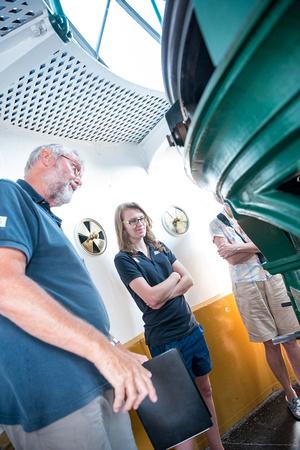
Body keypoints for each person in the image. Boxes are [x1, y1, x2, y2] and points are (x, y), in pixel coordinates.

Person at [0, 144, 157, 450]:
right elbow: (5, 285)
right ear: (46, 157)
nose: (80, 180)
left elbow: (68, 303)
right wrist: (103, 351)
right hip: (55, 394)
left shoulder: (51, 222)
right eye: (75, 168)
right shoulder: (9, 195)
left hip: (100, 375)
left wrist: (114, 347)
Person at [114, 202, 224, 450]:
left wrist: (164, 291)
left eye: (141, 218)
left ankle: (219, 448)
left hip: (192, 330)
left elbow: (189, 280)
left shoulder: (159, 247)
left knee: (205, 390)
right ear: (122, 227)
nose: (138, 223)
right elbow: (152, 298)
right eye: (131, 220)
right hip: (165, 340)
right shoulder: (123, 259)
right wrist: (174, 277)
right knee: (181, 407)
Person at [209, 198, 300, 420]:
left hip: (274, 277)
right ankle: (290, 395)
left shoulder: (256, 215)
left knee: (290, 338)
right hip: (246, 286)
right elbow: (232, 260)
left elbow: (272, 245)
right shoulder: (216, 223)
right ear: (218, 198)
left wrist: (237, 247)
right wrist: (252, 246)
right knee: (270, 342)